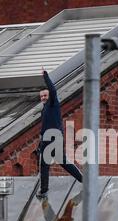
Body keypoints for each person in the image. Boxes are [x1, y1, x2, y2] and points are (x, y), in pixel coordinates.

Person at [36, 68, 82, 199]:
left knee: (46, 163)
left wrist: (45, 75)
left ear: (49, 96)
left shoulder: (52, 103)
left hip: (53, 136)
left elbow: (53, 90)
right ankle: (83, 180)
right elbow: (45, 125)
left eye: (45, 95)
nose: (43, 98)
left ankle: (44, 190)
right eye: (41, 97)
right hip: (48, 137)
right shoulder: (45, 108)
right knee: (60, 161)